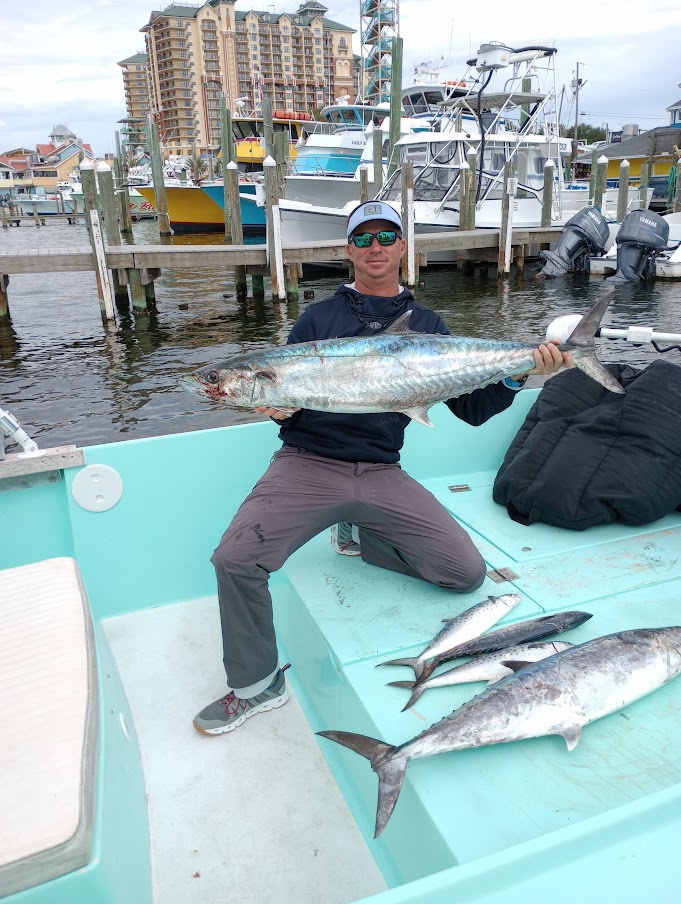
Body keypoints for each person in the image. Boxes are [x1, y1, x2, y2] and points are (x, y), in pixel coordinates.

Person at [193, 200, 572, 736]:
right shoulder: (318, 319)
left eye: (386, 236)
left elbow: (472, 410)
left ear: (401, 246)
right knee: (234, 559)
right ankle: (256, 687)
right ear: (350, 250)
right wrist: (279, 405)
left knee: (464, 577)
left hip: (381, 472)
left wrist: (522, 373)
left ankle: (359, 532)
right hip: (307, 464)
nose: (375, 247)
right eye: (363, 238)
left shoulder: (430, 325)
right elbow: (289, 392)